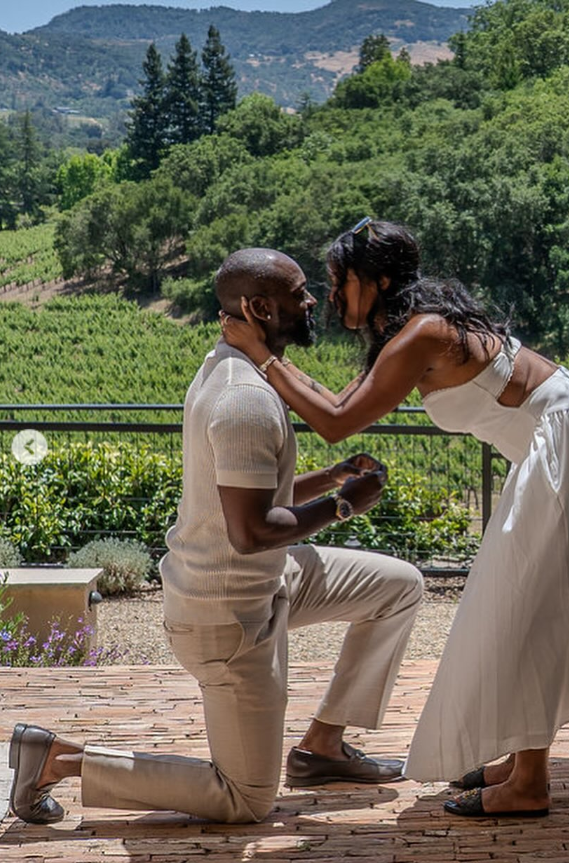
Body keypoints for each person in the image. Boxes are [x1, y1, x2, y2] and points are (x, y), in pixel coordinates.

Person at [219, 218, 569, 819]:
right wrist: (269, 358)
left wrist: (259, 355)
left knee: (527, 605)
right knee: (528, 602)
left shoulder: (424, 332)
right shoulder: (412, 332)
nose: (330, 296)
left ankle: (529, 781)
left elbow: (334, 422)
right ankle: (521, 763)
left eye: (339, 281)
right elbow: (339, 403)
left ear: (377, 281)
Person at [7, 247, 424, 826]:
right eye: (298, 293)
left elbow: (252, 498)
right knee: (246, 798)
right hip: (228, 617)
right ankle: (58, 759)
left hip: (270, 578)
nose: (311, 301)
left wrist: (330, 477)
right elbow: (252, 531)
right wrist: (344, 504)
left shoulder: (229, 365)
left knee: (398, 586)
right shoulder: (244, 399)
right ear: (259, 309)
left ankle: (324, 746)